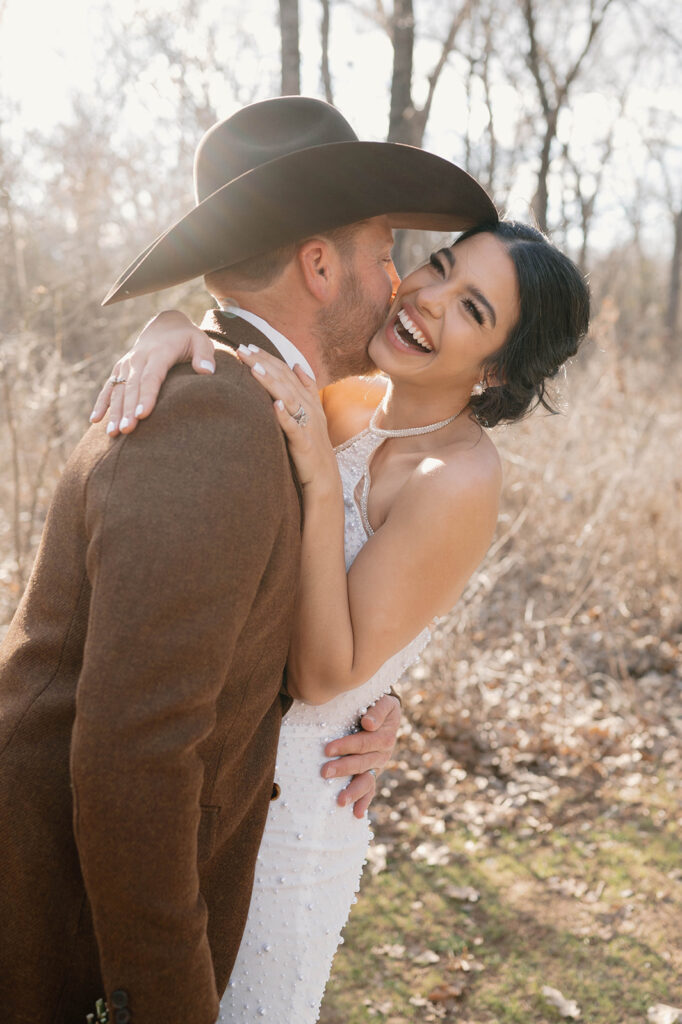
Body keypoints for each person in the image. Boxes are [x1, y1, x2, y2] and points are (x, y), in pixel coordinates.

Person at [0, 96, 498, 1024]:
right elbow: (134, 758)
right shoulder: (208, 420)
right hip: (56, 933)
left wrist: (373, 705)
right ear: (319, 265)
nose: (396, 281)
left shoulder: (265, 399)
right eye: (383, 251)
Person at [94, 219, 590, 1023]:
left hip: (301, 803)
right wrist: (172, 327)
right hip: (216, 764)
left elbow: (324, 675)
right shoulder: (345, 393)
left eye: (470, 309)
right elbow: (245, 351)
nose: (426, 298)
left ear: (496, 369)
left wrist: (323, 479)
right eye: (439, 266)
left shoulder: (457, 477)